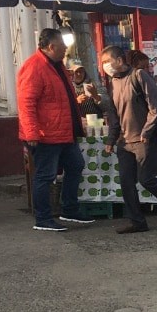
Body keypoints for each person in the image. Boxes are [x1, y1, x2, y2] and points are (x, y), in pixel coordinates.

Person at [100, 45, 157, 235]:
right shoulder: (113, 83)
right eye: (103, 63)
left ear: (119, 60)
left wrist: (146, 132)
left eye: (107, 62)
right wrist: (111, 139)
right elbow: (114, 115)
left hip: (144, 139)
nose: (105, 66)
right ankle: (137, 221)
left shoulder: (139, 75)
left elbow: (155, 106)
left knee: (146, 179)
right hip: (125, 141)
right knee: (126, 182)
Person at [17, 27, 93, 233]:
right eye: (62, 45)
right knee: (45, 175)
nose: (66, 49)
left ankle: (69, 208)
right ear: (51, 46)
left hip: (63, 131)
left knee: (76, 165)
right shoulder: (34, 67)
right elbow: (26, 103)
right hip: (46, 134)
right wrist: (32, 133)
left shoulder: (57, 65)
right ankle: (42, 218)